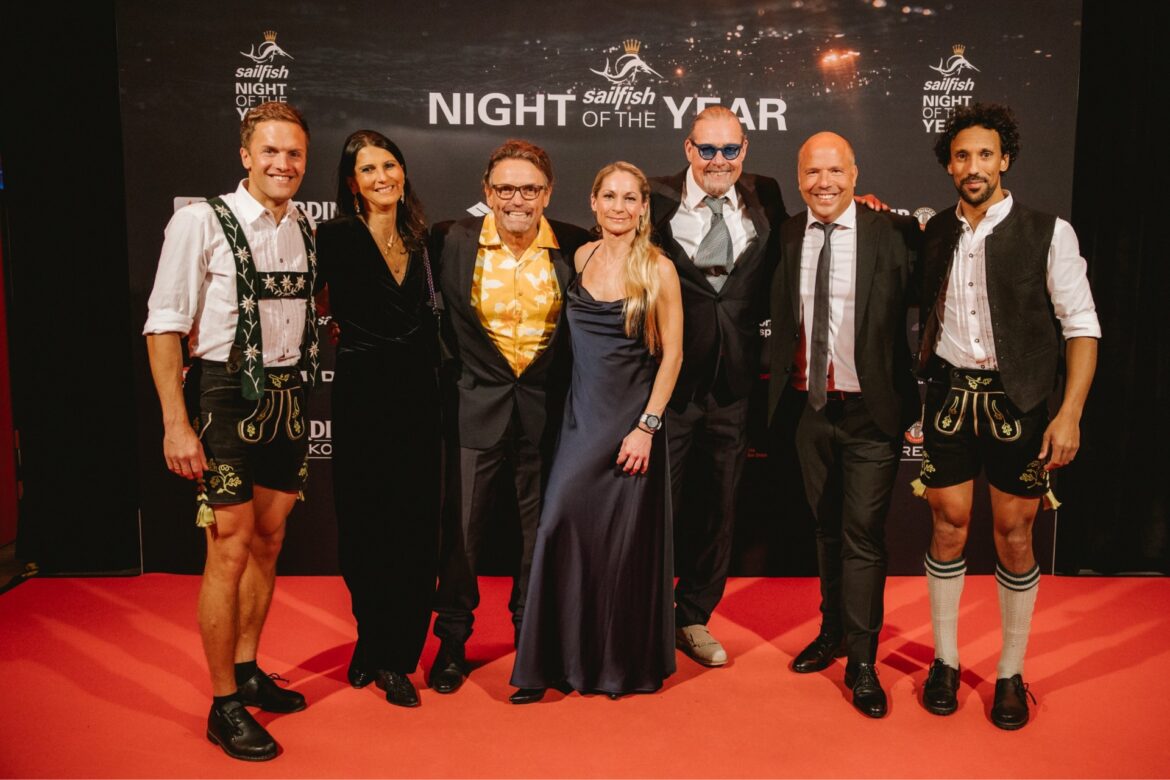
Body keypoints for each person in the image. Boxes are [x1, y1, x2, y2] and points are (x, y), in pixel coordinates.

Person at [914, 103, 1099, 730]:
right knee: (947, 525)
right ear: (949, 165)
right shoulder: (934, 231)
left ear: (1006, 160)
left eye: (985, 154)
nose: (974, 167)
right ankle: (945, 660)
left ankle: (1010, 672)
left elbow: (1081, 327)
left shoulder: (1050, 232)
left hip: (1018, 405)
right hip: (947, 399)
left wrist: (1069, 414)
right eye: (962, 156)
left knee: (1015, 536)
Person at [143, 102, 316, 761]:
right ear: (246, 156)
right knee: (229, 548)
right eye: (270, 151)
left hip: (287, 397)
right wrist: (176, 423)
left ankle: (247, 670)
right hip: (222, 396)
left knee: (269, 542)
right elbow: (164, 325)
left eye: (293, 153)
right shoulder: (200, 221)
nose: (282, 164)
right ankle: (223, 706)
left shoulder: (303, 226)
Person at [509, 162, 684, 702]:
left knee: (621, 548)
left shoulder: (658, 268)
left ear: (643, 208)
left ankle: (616, 665)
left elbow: (673, 355)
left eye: (630, 198)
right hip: (580, 421)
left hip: (630, 426)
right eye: (610, 196)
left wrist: (646, 427)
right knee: (558, 527)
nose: (619, 207)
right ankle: (549, 664)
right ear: (593, 201)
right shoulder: (580, 257)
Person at [767, 132, 920, 718]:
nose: (823, 182)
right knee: (826, 530)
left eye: (835, 171)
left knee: (862, 535)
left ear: (855, 175)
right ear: (798, 177)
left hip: (871, 411)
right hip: (810, 409)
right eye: (812, 172)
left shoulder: (895, 233)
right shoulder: (786, 234)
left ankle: (862, 661)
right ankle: (831, 631)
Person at [428, 140, 590, 694]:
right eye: (505, 188)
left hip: (546, 415)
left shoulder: (576, 246)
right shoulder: (451, 241)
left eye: (529, 189)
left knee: (537, 538)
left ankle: (533, 644)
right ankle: (452, 643)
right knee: (461, 540)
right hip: (473, 410)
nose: (517, 200)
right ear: (487, 192)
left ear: (548, 193)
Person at [649, 105, 787, 667]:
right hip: (669, 385)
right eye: (706, 149)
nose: (718, 161)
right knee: (655, 507)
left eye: (730, 150)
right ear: (688, 149)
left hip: (733, 386)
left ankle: (693, 616)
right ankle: (647, 616)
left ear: (744, 150)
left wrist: (866, 206)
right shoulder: (651, 198)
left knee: (719, 509)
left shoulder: (766, 196)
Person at [315, 130, 440, 708]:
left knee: (413, 528)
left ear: (403, 172)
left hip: (418, 398)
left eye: (389, 165)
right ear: (352, 183)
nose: (382, 177)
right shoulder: (334, 237)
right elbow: (308, 301)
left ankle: (397, 657)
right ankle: (371, 635)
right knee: (364, 525)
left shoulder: (424, 238)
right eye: (368, 169)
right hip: (361, 395)